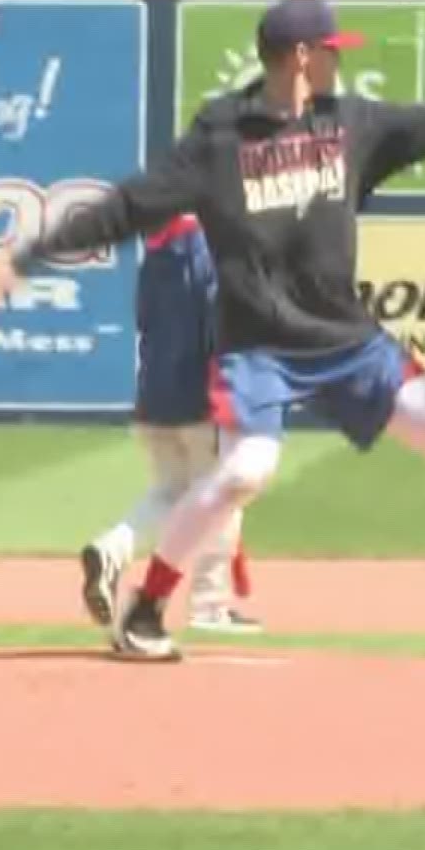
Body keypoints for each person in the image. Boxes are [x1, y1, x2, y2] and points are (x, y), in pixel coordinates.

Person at [0, 0, 425, 661]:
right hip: (259, 347)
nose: (337, 61)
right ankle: (144, 611)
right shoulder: (219, 139)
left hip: (345, 340)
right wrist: (27, 255)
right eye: (330, 50)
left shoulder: (350, 127)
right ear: (300, 56)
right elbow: (126, 206)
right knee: (243, 473)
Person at [79, 212, 263, 637]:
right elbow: (222, 326)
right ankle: (210, 604)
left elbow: (145, 323)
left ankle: (112, 548)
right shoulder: (213, 249)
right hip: (201, 395)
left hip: (155, 394)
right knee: (222, 494)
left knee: (169, 492)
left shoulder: (156, 254)